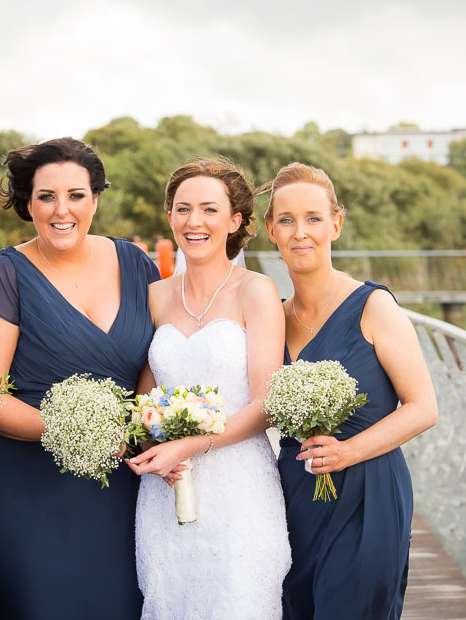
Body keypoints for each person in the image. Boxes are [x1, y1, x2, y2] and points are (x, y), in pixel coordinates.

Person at [0, 137, 159, 619]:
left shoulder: (135, 264)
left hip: (120, 484)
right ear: (27, 203)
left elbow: (155, 356)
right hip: (24, 487)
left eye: (76, 196)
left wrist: (141, 425)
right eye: (46, 197)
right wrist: (78, 432)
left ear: (96, 199)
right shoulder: (3, 277)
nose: (61, 210)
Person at [263, 162, 438, 619]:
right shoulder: (271, 320)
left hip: (368, 492)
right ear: (271, 230)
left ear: (335, 224)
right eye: (287, 220)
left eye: (313, 218)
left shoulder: (374, 306)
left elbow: (423, 408)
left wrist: (347, 452)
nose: (301, 232)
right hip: (293, 493)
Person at [128, 158, 291, 619]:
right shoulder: (155, 296)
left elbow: (268, 404)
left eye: (208, 209)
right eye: (182, 209)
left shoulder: (256, 291)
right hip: (167, 488)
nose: (193, 222)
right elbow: (145, 396)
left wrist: (194, 443)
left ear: (235, 220)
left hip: (239, 488)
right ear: (170, 217)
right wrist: (150, 443)